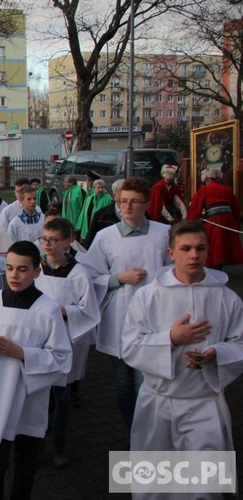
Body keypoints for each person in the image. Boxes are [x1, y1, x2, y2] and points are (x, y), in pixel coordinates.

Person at [122, 221, 243, 459]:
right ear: (171, 253)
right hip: (157, 402)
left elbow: (239, 343)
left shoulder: (227, 297)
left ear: (208, 251)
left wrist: (216, 354)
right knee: (158, 485)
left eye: (201, 248)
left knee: (202, 488)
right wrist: (171, 338)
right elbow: (129, 347)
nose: (194, 255)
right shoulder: (147, 296)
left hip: (204, 403)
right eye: (186, 248)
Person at [0, 241, 72, 500]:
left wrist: (21, 353)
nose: (14, 275)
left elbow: (61, 358)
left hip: (29, 399)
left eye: (23, 269)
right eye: (10, 268)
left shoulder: (47, 309)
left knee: (25, 464)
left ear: (37, 271)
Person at [80, 177, 171, 442]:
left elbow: (175, 273)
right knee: (123, 384)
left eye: (133, 201)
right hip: (120, 317)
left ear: (146, 203)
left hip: (155, 319)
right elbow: (88, 275)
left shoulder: (162, 233)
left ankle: (148, 435)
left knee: (148, 384)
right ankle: (132, 432)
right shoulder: (105, 237)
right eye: (122, 202)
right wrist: (118, 278)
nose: (127, 207)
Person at [35, 218, 100, 468]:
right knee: (42, 396)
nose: (47, 245)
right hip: (40, 340)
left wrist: (65, 312)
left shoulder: (78, 273)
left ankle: (60, 445)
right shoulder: (38, 269)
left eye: (53, 240)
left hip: (66, 340)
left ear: (68, 242)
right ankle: (40, 437)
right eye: (44, 240)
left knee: (61, 397)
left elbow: (89, 311)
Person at [188, 168, 243, 269]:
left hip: (214, 220)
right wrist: (236, 224)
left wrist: (190, 225)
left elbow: (196, 208)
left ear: (207, 179)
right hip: (229, 220)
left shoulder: (205, 189)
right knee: (226, 243)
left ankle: (215, 266)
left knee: (215, 245)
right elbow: (236, 209)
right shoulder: (227, 189)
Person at [83, 178, 125, 250]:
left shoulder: (142, 215)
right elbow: (90, 239)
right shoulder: (100, 215)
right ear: (114, 195)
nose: (126, 194)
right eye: (122, 191)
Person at [75, 178, 113, 243]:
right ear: (94, 188)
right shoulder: (90, 198)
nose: (100, 189)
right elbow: (84, 212)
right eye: (98, 187)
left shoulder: (108, 199)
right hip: (88, 225)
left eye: (102, 187)